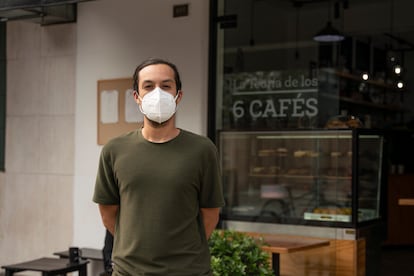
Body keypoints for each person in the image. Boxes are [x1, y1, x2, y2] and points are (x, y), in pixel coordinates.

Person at [93, 57, 225, 276]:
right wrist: (136, 248)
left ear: (178, 95)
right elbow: (108, 213)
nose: (158, 93)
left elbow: (210, 214)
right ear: (136, 97)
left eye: (166, 86)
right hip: (130, 272)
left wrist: (183, 253)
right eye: (148, 86)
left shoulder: (202, 150)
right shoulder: (114, 150)